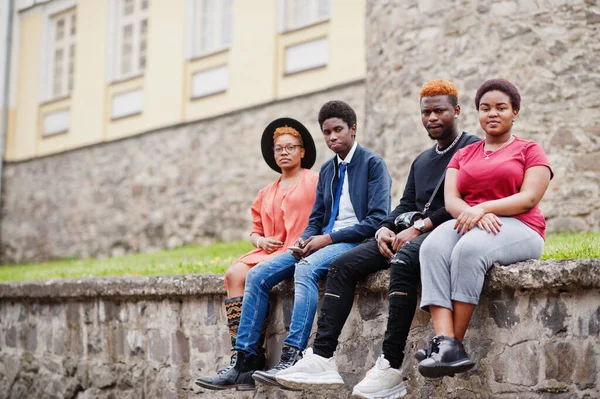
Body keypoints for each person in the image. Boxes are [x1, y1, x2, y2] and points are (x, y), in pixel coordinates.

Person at [276, 80, 481, 398]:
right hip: (404, 232)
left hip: (443, 233)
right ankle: (322, 358)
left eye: (439, 110)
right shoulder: (423, 160)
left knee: (402, 262)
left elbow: (465, 203)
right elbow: (405, 203)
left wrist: (419, 227)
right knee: (342, 265)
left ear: (456, 110)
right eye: (426, 112)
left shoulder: (472, 149)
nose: (431, 118)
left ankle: (391, 366)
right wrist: (384, 227)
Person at [195, 100, 392, 391]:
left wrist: (326, 239)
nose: (332, 137)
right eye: (327, 132)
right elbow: (316, 219)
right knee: (258, 274)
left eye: (338, 130)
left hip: (353, 241)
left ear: (353, 129)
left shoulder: (373, 164)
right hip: (322, 240)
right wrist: (305, 240)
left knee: (306, 269)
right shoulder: (328, 170)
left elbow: (376, 220)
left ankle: (292, 356)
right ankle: (245, 362)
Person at [417, 78, 553, 379]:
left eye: (501, 107)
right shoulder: (464, 153)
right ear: (477, 113)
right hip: (471, 220)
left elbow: (528, 197)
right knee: (432, 247)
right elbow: (452, 200)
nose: (492, 113)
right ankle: (443, 342)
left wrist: (484, 208)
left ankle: (454, 344)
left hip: (521, 227)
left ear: (514, 112)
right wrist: (475, 214)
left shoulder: (530, 150)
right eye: (485, 108)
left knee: (470, 249)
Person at [216, 118, 319, 376]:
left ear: (302, 150)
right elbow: (255, 230)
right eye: (278, 149)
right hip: (268, 249)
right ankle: (243, 356)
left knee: (253, 276)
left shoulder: (314, 181)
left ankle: (246, 357)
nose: (283, 153)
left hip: (298, 247)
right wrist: (261, 241)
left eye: (290, 147)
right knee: (232, 275)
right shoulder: (265, 191)